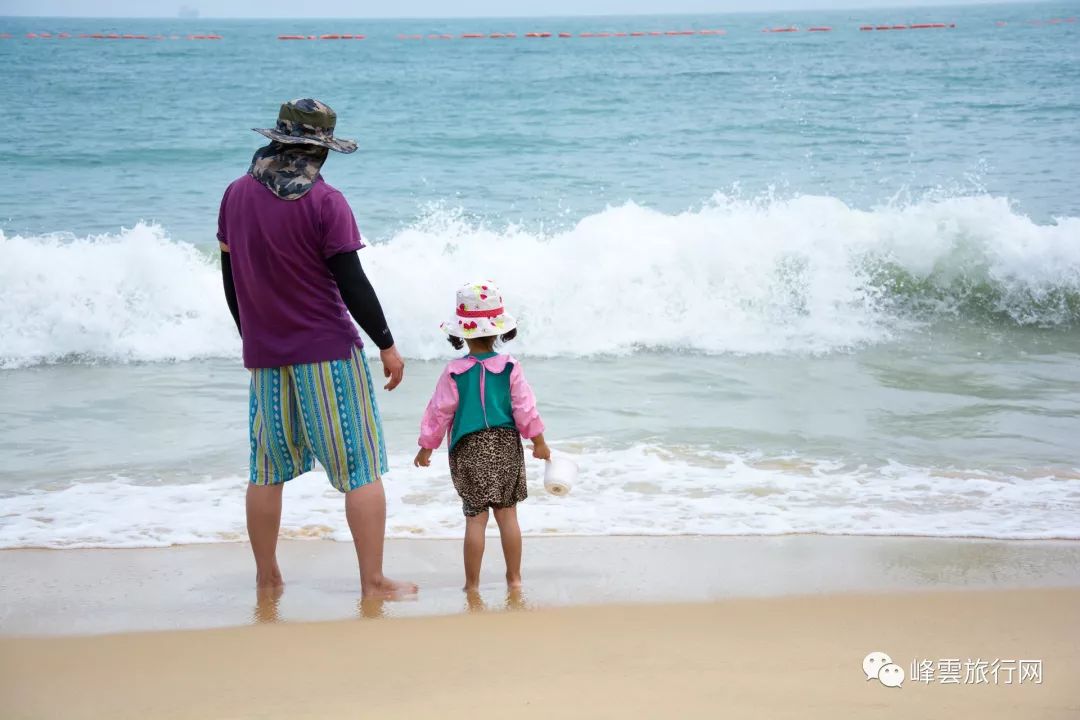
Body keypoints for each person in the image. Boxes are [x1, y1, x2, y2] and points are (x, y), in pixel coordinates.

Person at [218, 98, 415, 599]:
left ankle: (267, 577)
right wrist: (387, 345)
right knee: (360, 468)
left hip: (266, 356)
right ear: (318, 150)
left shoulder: (234, 195)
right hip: (327, 352)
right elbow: (352, 283)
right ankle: (373, 582)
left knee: (265, 471)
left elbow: (230, 279)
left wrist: (253, 337)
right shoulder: (327, 202)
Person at [414, 282, 549, 591]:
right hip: (504, 445)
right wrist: (538, 441)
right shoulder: (510, 367)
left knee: (475, 518)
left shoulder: (454, 371)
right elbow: (524, 408)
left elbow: (439, 411)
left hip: (468, 447)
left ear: (461, 332)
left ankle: (472, 585)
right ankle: (514, 579)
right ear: (499, 330)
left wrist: (426, 446)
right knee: (507, 514)